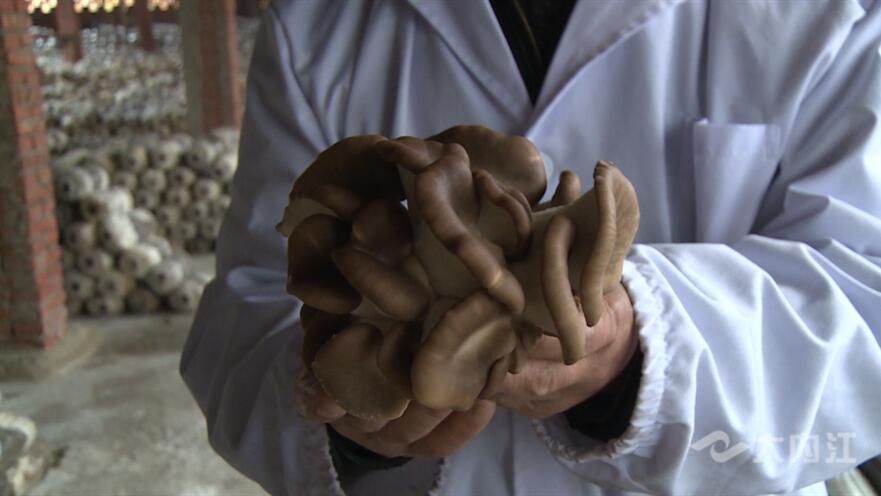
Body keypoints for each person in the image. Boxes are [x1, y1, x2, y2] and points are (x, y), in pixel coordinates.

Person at [180, 0, 881, 494]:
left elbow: (865, 309)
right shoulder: (316, 26)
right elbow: (246, 316)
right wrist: (349, 426)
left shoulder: (832, 15)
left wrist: (639, 350)